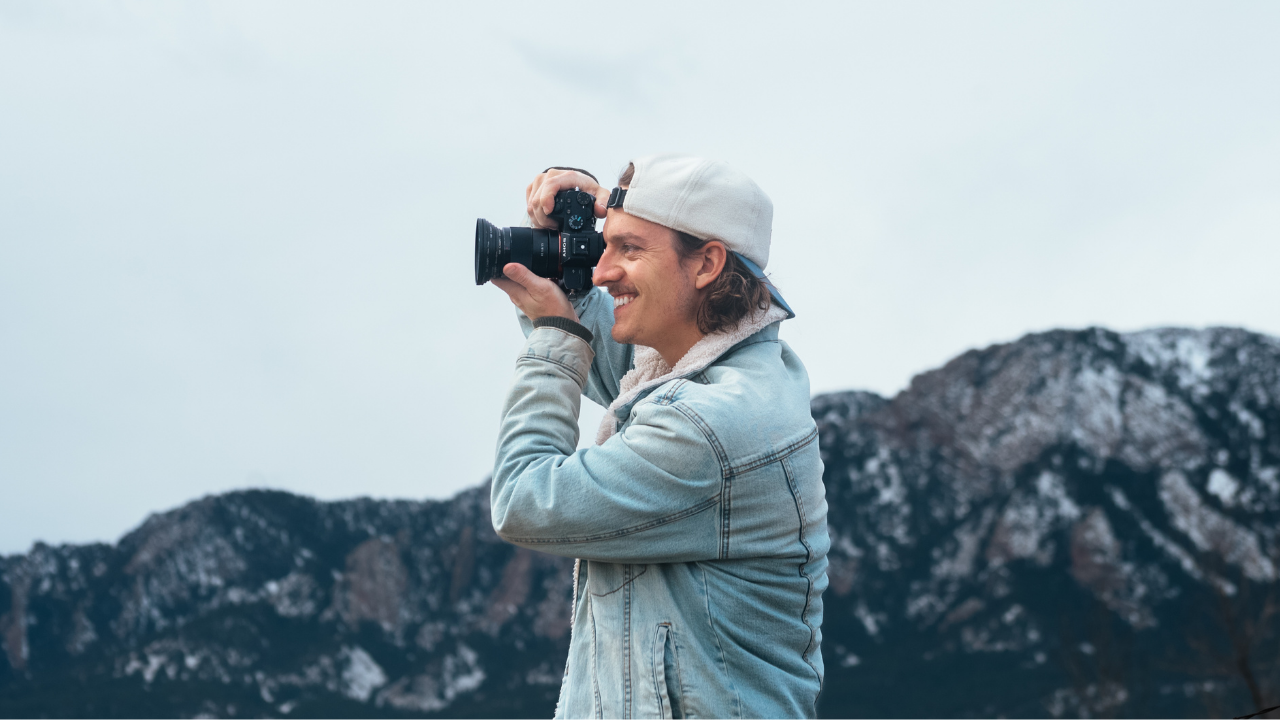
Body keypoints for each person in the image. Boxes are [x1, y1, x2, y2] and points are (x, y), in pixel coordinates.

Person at [488, 154, 829, 719]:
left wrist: (553, 340)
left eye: (630, 250)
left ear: (706, 264)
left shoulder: (712, 425)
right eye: (605, 245)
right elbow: (611, 356)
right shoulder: (710, 372)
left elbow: (526, 502)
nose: (601, 270)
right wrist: (566, 237)